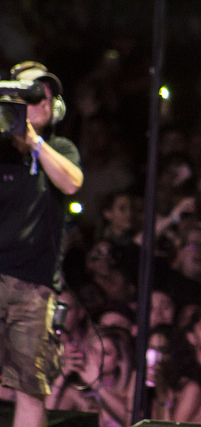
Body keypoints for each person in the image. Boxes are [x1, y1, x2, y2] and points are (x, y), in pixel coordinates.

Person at [0, 61, 83, 427]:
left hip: (35, 288)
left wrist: (33, 141)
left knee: (31, 388)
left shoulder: (59, 147)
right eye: (34, 94)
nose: (44, 101)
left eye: (49, 96)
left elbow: (72, 183)